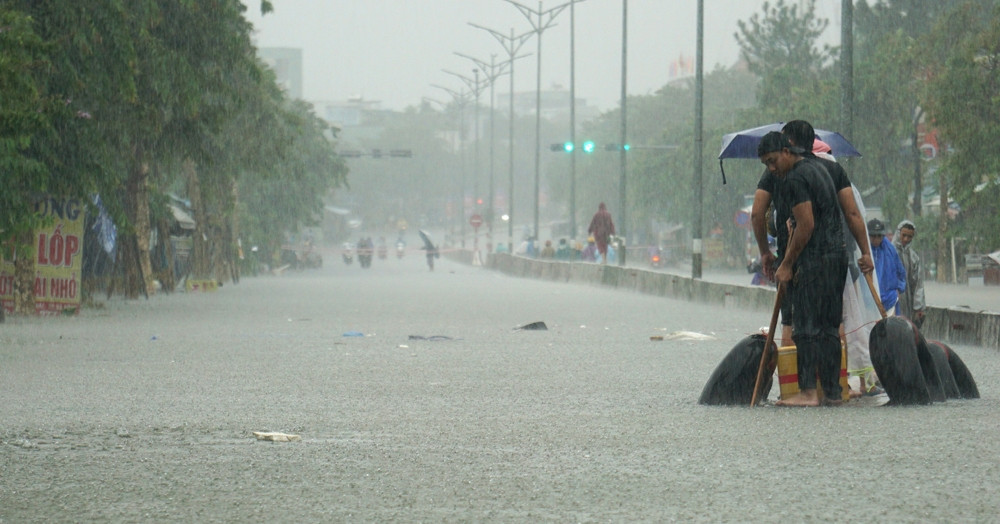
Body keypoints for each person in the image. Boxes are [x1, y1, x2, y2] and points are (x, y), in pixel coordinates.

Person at [758, 131, 848, 407]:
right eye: (766, 165)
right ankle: (833, 392)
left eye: (773, 161)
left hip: (815, 260)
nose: (772, 169)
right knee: (829, 327)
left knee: (806, 328)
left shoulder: (795, 178)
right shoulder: (820, 168)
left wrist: (786, 264)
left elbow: (806, 225)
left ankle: (808, 392)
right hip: (836, 256)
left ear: (787, 151)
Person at [868, 218, 906, 316]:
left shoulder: (890, 250)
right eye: (873, 236)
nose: (876, 239)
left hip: (889, 300)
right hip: (868, 303)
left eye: (879, 236)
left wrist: (899, 289)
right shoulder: (863, 251)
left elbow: (901, 272)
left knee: (890, 330)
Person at [894, 220, 925, 327]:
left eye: (909, 236)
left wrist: (918, 307)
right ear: (898, 233)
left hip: (907, 301)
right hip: (890, 299)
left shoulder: (913, 257)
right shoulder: (888, 252)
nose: (906, 239)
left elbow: (917, 284)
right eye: (904, 235)